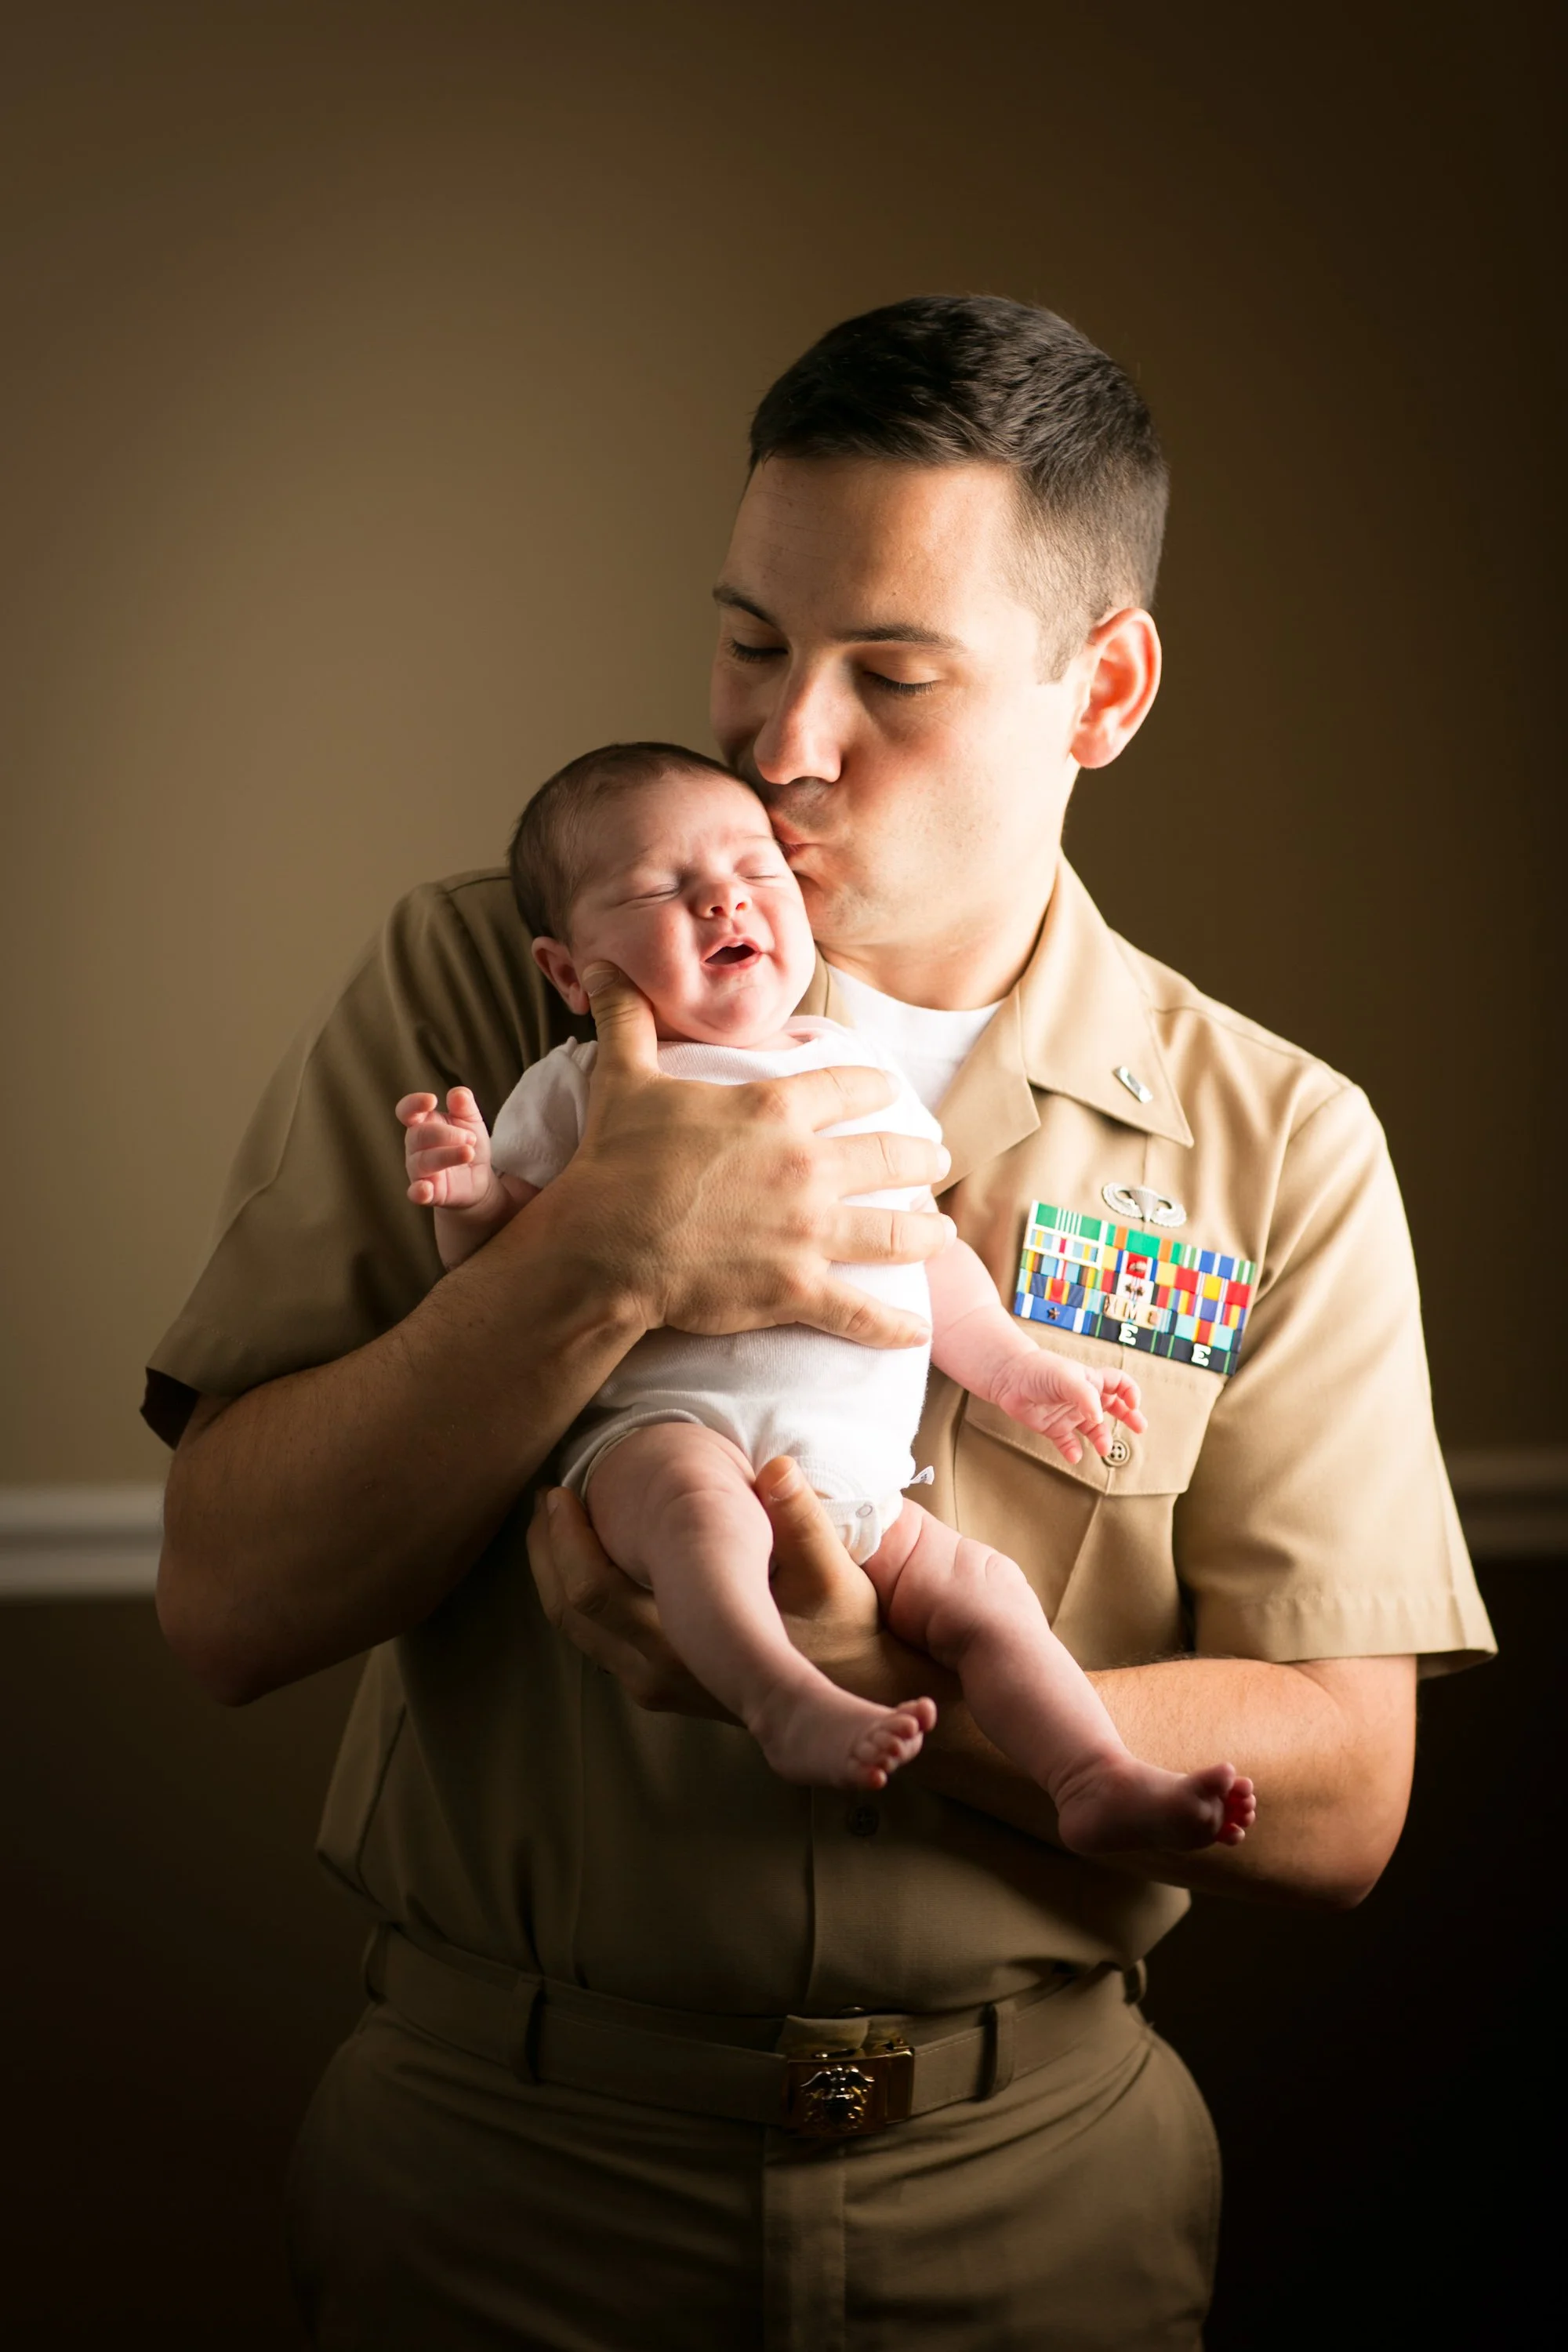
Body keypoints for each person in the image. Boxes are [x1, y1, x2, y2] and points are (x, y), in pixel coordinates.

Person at [147, 295, 1494, 2350]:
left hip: (1035, 2200)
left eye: (895, 673)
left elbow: (1341, 1794)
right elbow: (228, 1600)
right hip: (511, 2183)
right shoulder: (483, 984)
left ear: (1103, 689)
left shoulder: (1277, 1141)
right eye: (755, 643)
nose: (784, 743)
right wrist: (598, 1260)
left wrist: (883, 1681)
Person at [399, 739, 1256, 1847]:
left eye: (755, 870)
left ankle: (1091, 1776)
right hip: (668, 1438)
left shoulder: (860, 1072)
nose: (722, 898)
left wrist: (1029, 1373)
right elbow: (502, 1266)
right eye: (663, 889)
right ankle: (781, 1700)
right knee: (705, 1525)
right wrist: (466, 1190)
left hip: (858, 1482)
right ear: (571, 972)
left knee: (986, 1593)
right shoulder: (583, 1085)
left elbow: (922, 1252)